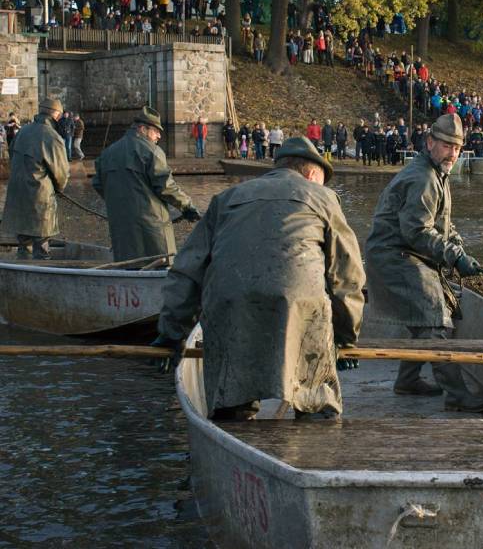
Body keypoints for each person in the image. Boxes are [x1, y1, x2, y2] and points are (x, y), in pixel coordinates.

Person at [154, 137, 365, 421]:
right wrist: (345, 337)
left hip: (229, 308)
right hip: (300, 309)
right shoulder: (323, 198)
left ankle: (233, 415)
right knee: (316, 397)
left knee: (231, 398)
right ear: (313, 173)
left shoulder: (225, 199)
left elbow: (187, 271)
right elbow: (347, 276)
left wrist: (171, 334)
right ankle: (315, 415)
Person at [364, 114, 483, 413]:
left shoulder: (437, 173)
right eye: (447, 145)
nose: (452, 153)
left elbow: (441, 223)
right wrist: (454, 256)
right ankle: (458, 395)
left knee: (424, 317)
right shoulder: (423, 177)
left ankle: (407, 381)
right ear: (430, 142)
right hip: (394, 256)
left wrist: (456, 244)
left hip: (405, 253)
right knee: (434, 320)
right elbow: (416, 232)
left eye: (457, 148)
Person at [91, 106, 200, 262]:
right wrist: (187, 206)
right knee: (161, 264)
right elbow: (166, 186)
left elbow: (98, 183)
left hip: (120, 225)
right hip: (152, 227)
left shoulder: (107, 153)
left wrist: (118, 200)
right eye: (156, 131)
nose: (159, 136)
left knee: (127, 265)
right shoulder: (151, 151)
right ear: (142, 128)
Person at [0, 98, 69, 260]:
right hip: (40, 195)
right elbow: (61, 173)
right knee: (42, 242)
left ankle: (23, 273)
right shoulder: (52, 137)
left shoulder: (23, 131)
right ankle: (43, 276)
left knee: (24, 242)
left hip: (17, 192)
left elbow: (11, 152)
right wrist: (59, 189)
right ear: (56, 115)